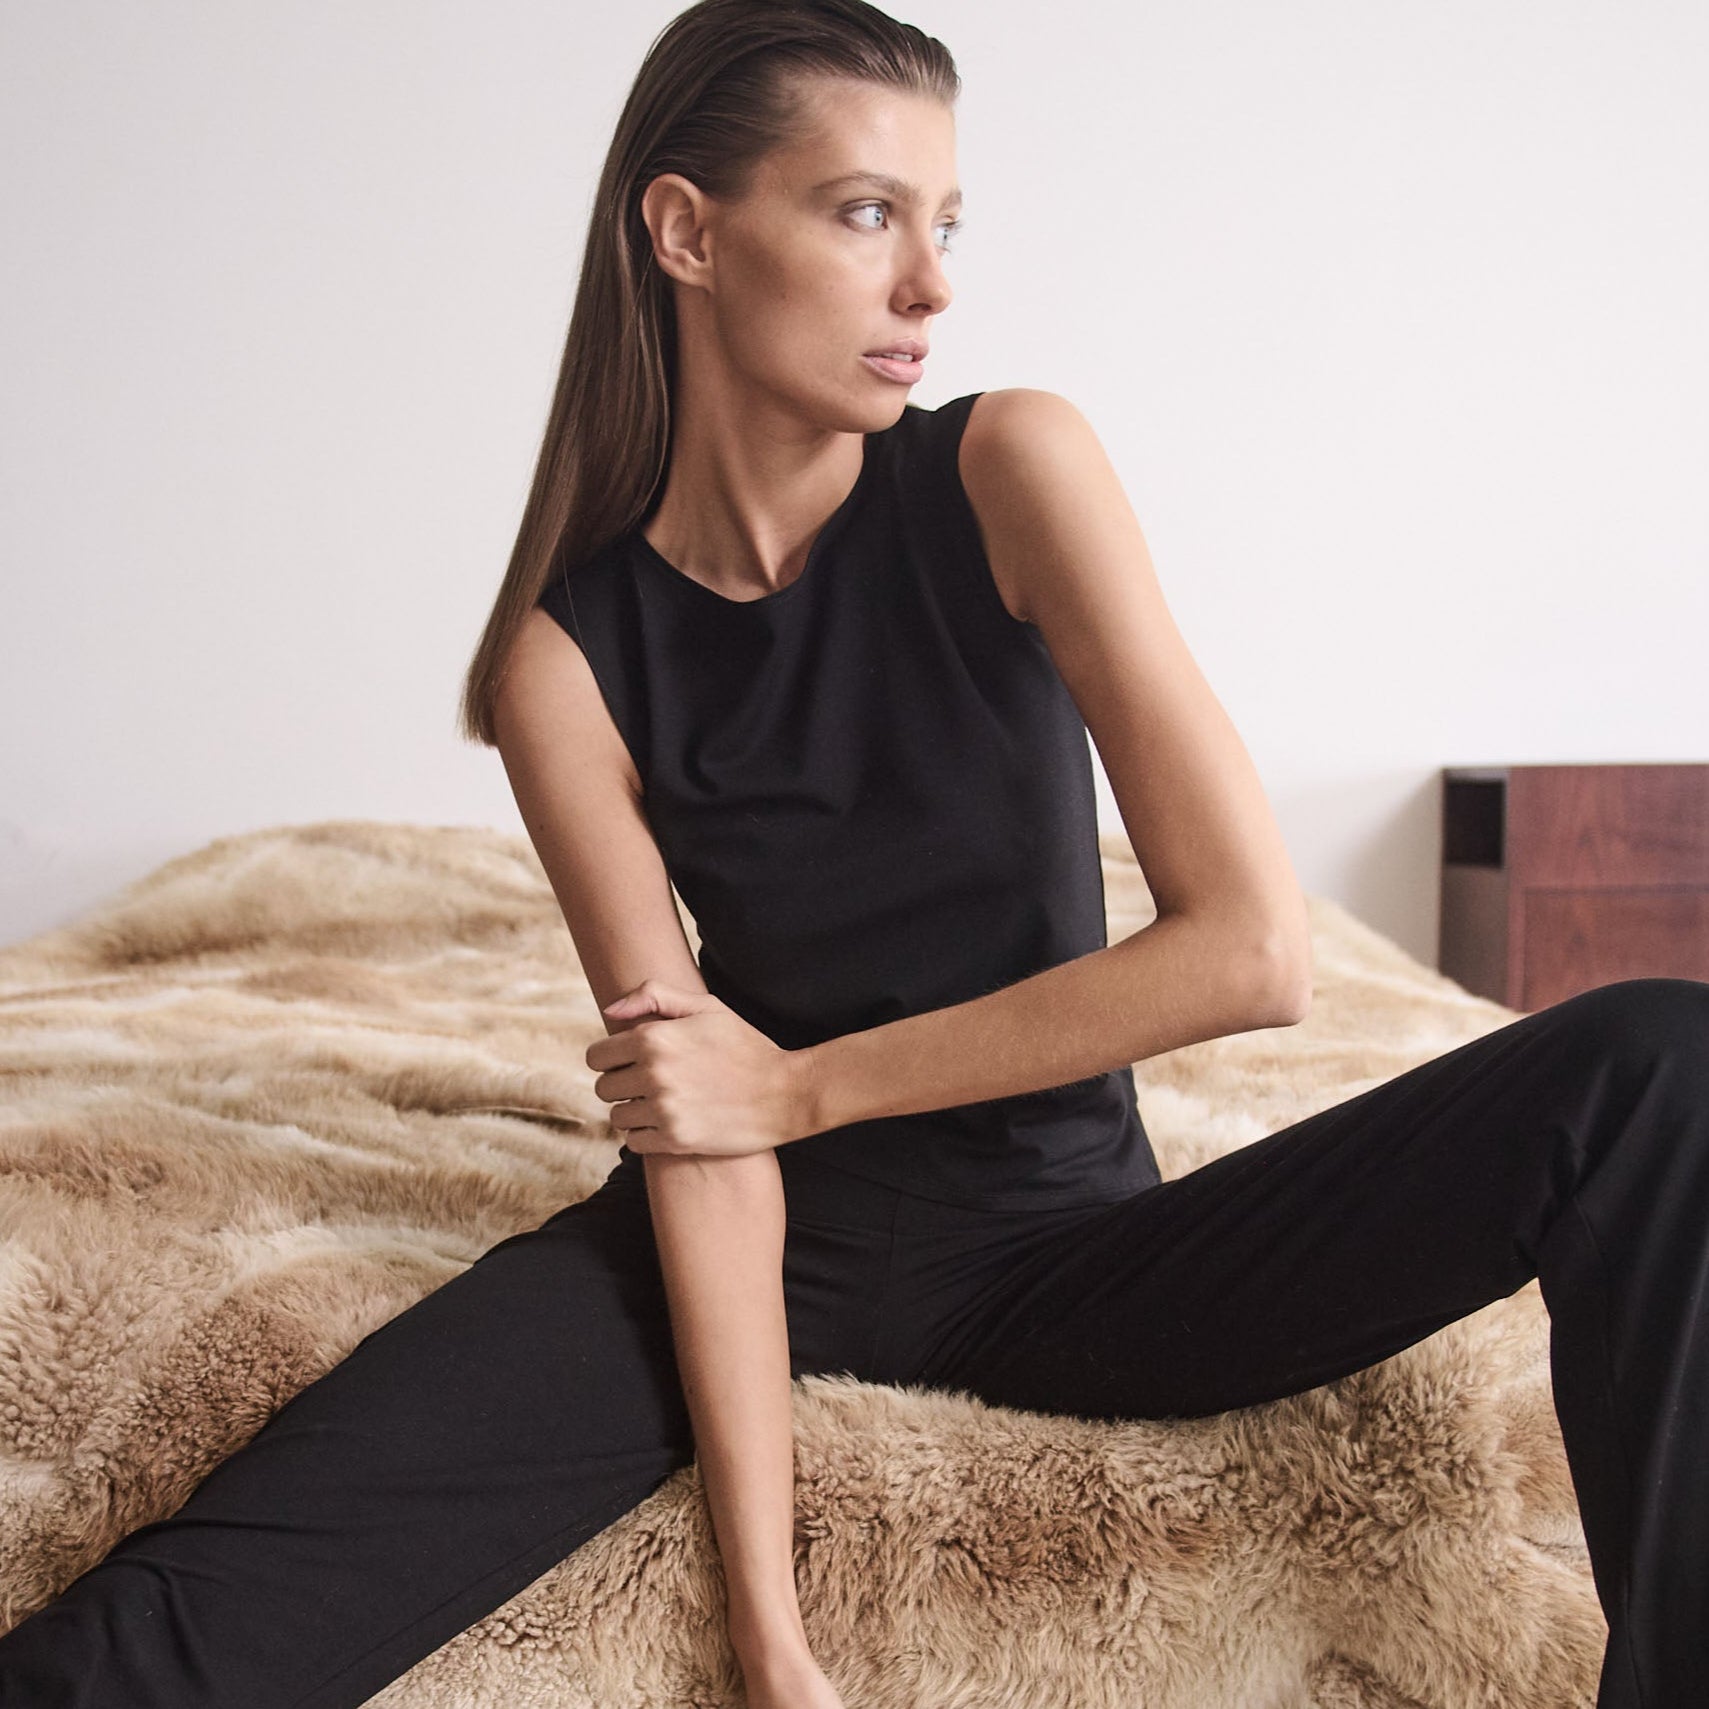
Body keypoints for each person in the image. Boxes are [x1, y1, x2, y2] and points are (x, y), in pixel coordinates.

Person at [2, 2, 1704, 1706]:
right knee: (168, 1628)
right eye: (864, 213)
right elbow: (699, 1128)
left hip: (1075, 1262)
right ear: (686, 232)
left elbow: (1251, 952)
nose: (929, 285)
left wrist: (800, 1087)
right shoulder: (563, 658)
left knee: (1656, 1065)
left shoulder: (1010, 466)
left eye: (944, 222)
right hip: (747, 1245)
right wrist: (774, 1635)